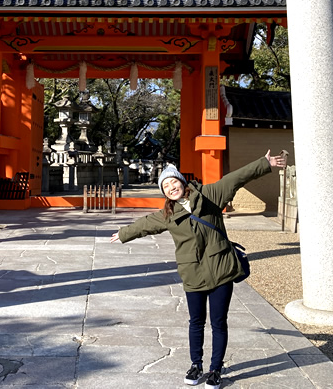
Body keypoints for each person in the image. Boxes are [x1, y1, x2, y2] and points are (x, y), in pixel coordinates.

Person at [110, 150, 287, 389]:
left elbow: (235, 179)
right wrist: (122, 234)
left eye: (174, 181)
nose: (171, 187)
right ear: (164, 193)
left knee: (218, 322)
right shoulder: (168, 214)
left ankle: (215, 369)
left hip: (221, 268)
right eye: (166, 186)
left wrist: (264, 163)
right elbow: (145, 225)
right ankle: (196, 365)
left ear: (182, 182)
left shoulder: (210, 195)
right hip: (192, 273)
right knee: (195, 321)